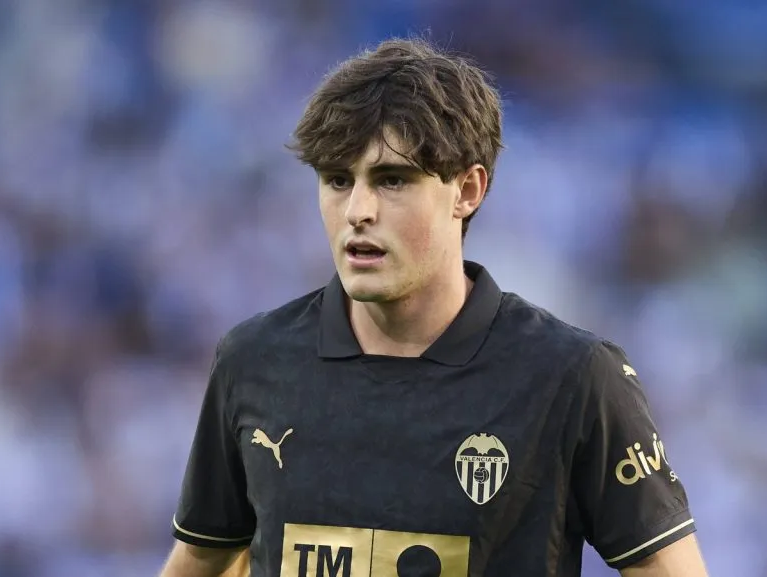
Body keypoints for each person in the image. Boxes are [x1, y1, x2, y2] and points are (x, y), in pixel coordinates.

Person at [158, 37, 709, 577]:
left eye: (391, 180)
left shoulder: (574, 377)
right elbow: (205, 559)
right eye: (336, 180)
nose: (357, 210)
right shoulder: (254, 361)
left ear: (467, 190)